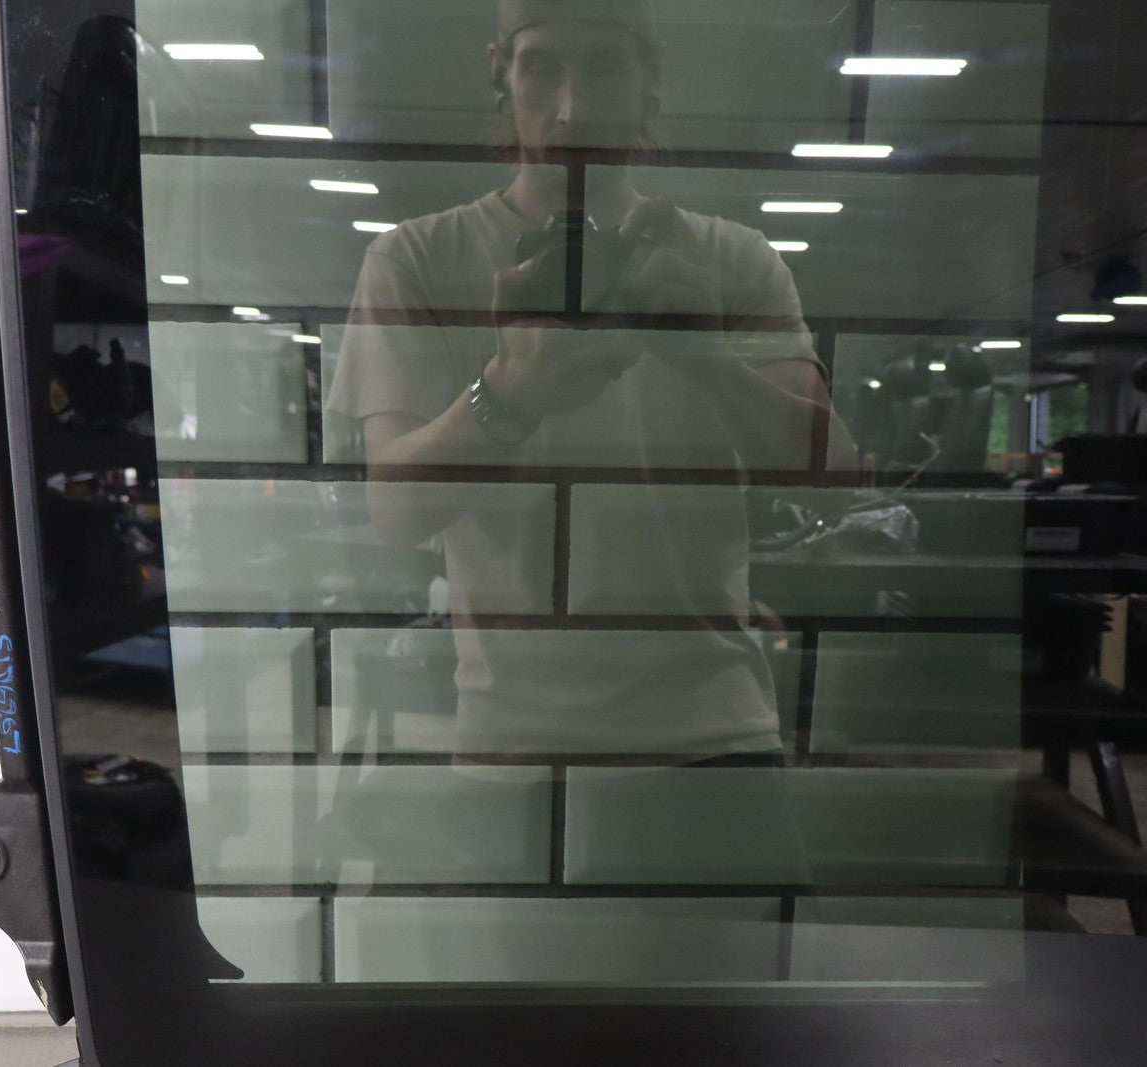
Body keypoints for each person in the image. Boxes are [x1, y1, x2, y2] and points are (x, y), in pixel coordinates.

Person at [328, 0, 855, 762]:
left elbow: (833, 476)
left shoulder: (734, 261)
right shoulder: (413, 261)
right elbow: (396, 508)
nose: (571, 110)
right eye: (542, 68)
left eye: (603, 67)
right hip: (529, 739)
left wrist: (706, 358)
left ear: (650, 77)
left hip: (703, 733)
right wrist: (506, 394)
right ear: (502, 74)